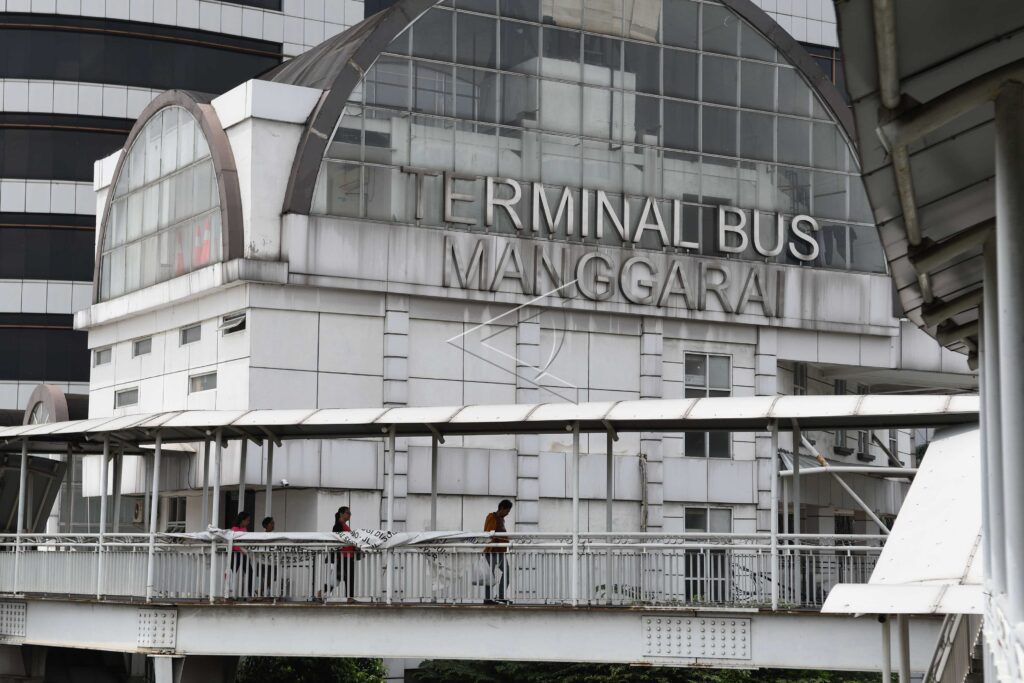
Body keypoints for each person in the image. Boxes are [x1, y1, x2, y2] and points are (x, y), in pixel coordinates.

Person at [483, 499, 513, 604]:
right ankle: (487, 599)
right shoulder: (491, 516)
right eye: (507, 511)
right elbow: (488, 533)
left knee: (507, 573)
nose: (508, 514)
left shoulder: (501, 519)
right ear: (502, 508)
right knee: (489, 576)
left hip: (500, 552)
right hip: (492, 551)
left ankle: (500, 596)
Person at [333, 507, 357, 603]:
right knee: (343, 577)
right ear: (341, 514)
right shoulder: (338, 525)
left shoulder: (344, 525)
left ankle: (350, 597)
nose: (350, 515)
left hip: (348, 555)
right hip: (344, 556)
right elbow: (337, 541)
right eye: (348, 513)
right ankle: (349, 597)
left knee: (343, 577)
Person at [230, 511, 252, 598]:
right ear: (242, 520)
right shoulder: (234, 529)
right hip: (236, 555)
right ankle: (228, 592)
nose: (248, 522)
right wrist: (240, 549)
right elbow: (232, 543)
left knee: (250, 572)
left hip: (244, 555)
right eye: (247, 520)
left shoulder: (244, 530)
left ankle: (250, 593)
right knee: (231, 573)